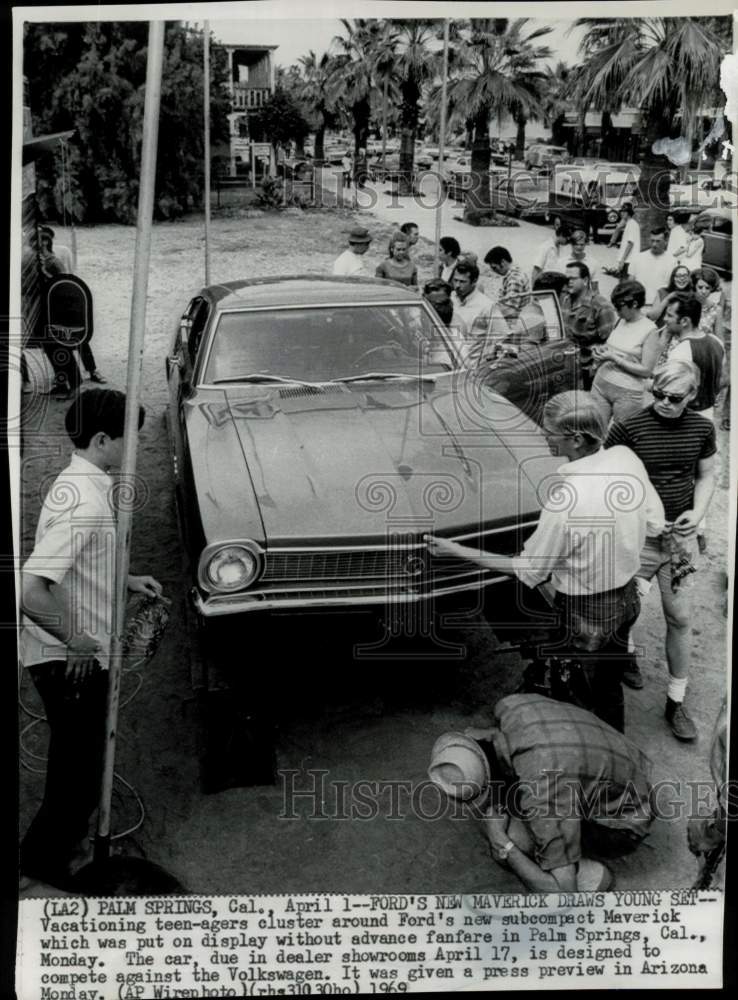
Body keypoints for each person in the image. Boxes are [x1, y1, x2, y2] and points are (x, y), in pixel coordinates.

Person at [427, 391, 664, 733]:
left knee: (576, 700)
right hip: (627, 601)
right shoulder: (626, 458)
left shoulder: (567, 501)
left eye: (549, 431)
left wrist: (455, 550)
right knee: (609, 684)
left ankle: (584, 765)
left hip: (585, 615)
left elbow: (529, 571)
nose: (544, 436)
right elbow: (655, 522)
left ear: (577, 439)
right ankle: (619, 749)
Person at [19, 388, 163, 888]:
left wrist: (123, 579)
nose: (135, 448)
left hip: (76, 651)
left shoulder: (90, 483)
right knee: (75, 775)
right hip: (68, 659)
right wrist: (78, 639)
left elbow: (79, 561)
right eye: (130, 439)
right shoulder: (83, 500)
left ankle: (71, 848)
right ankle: (42, 864)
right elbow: (31, 590)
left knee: (83, 763)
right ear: (103, 439)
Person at [428, 693, 656, 892]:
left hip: (626, 822)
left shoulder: (541, 793)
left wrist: (501, 843)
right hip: (629, 768)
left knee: (514, 835)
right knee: (516, 810)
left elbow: (563, 897)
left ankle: (588, 871)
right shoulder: (510, 705)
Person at [605, 360, 717, 741]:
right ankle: (627, 655)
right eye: (658, 394)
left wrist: (698, 513)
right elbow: (610, 479)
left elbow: (706, 475)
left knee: (681, 617)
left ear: (693, 396)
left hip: (680, 543)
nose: (664, 403)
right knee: (623, 611)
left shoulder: (702, 428)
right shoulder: (629, 427)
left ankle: (676, 700)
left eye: (674, 397)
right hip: (637, 538)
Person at [589, 279, 661, 423]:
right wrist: (602, 350)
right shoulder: (621, 320)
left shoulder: (650, 330)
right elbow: (613, 347)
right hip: (601, 384)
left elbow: (646, 370)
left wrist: (614, 358)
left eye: (619, 307)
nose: (616, 311)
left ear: (634, 304)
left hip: (626, 393)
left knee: (621, 436)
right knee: (592, 430)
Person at [661, 294, 725, 419]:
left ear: (684, 321)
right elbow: (724, 379)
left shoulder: (680, 351)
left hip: (683, 418)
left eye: (669, 315)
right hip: (707, 415)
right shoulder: (717, 342)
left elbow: (670, 389)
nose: (664, 319)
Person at [559, 261, 617, 390]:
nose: (568, 282)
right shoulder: (566, 300)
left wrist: (595, 368)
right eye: (566, 279)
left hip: (588, 371)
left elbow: (610, 344)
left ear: (585, 280)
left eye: (573, 279)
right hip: (567, 366)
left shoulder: (601, 306)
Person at [628, 228, 677, 308]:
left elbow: (673, 286)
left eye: (658, 241)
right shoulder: (638, 258)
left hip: (661, 306)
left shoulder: (672, 261)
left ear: (665, 242)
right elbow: (630, 283)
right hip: (640, 306)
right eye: (652, 240)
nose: (654, 244)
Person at [484, 245, 531, 318]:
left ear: (502, 262)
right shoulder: (515, 273)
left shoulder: (514, 279)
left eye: (494, 268)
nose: (494, 271)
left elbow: (511, 311)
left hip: (516, 323)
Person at [606, 202, 640, 277]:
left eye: (624, 212)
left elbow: (630, 243)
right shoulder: (629, 223)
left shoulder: (632, 225)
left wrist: (622, 260)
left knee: (625, 285)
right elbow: (618, 228)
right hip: (628, 260)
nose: (622, 213)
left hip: (629, 261)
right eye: (621, 211)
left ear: (629, 213)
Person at [692, 266, 725, 341]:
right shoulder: (685, 304)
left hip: (704, 349)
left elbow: (719, 338)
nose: (704, 291)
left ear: (712, 289)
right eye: (700, 287)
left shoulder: (716, 310)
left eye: (707, 288)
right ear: (694, 286)